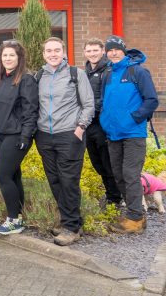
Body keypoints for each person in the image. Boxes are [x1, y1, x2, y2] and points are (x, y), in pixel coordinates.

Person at [34, 37, 95, 246]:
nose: (53, 54)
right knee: (55, 180)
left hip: (69, 134)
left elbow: (88, 104)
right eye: (49, 51)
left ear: (63, 52)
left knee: (68, 180)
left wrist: (80, 128)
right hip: (44, 136)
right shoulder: (39, 75)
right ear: (43, 54)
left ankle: (71, 228)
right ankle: (71, 220)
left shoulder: (76, 74)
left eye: (57, 50)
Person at [101, 35, 160, 234]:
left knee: (130, 175)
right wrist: (104, 120)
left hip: (133, 133)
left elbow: (151, 100)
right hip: (113, 133)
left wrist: (134, 118)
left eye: (116, 49)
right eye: (109, 50)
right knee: (118, 175)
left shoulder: (138, 71)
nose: (113, 53)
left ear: (123, 51)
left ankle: (134, 218)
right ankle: (136, 215)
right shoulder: (108, 73)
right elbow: (104, 101)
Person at [0, 40, 39, 236]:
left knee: (3, 175)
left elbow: (31, 111)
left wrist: (26, 134)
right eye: (5, 55)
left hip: (16, 135)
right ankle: (19, 216)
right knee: (13, 175)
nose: (7, 58)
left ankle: (13, 220)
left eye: (11, 55)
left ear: (19, 58)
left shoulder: (26, 79)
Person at [83, 38, 122, 209]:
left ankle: (115, 197)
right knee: (97, 162)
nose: (92, 54)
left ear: (102, 51)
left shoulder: (109, 70)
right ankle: (111, 194)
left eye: (95, 50)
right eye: (89, 51)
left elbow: (107, 97)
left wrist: (90, 111)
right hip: (88, 124)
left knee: (108, 162)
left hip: (102, 123)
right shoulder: (84, 72)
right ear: (85, 53)